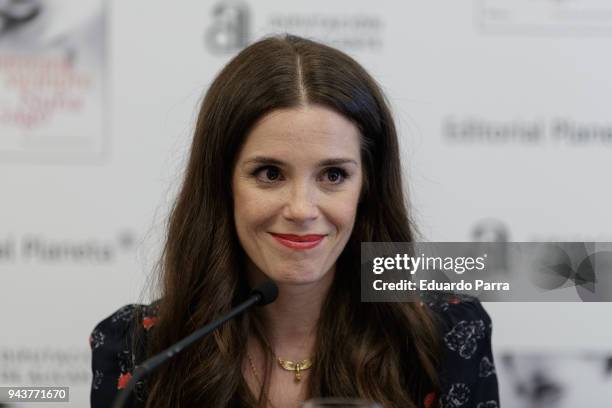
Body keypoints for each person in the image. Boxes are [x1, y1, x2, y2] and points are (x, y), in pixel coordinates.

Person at [90, 34, 499, 408]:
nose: (302, 209)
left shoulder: (448, 334)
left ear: (367, 188)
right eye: (270, 174)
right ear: (222, 184)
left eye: (333, 175)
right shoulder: (136, 347)